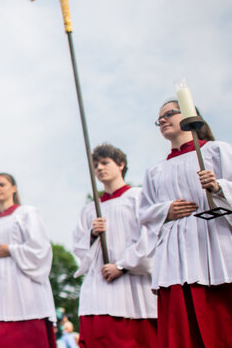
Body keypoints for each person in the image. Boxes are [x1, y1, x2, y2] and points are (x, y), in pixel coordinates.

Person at [138, 100, 232, 348]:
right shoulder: (154, 171)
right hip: (177, 259)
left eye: (170, 113)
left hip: (220, 250)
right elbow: (144, 214)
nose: (162, 120)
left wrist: (220, 187)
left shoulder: (217, 151)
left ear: (192, 116)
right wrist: (165, 210)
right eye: (159, 118)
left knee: (230, 329)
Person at [71, 143, 157, 348]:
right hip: (100, 288)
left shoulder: (138, 197)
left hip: (133, 286)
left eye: (105, 162)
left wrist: (122, 265)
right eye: (96, 165)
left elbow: (151, 236)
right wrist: (92, 235)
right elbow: (78, 248)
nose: (99, 168)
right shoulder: (90, 209)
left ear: (121, 164)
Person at [0, 173, 56, 348]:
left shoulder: (27, 213)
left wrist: (11, 250)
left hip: (24, 292)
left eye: (2, 184)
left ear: (13, 188)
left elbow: (41, 249)